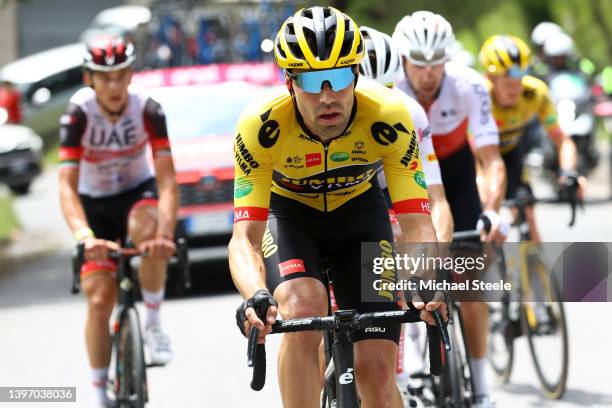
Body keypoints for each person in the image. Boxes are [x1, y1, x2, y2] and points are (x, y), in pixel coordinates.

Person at [231, 7, 445, 408]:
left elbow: (417, 223)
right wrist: (255, 293)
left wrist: (427, 281)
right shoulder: (260, 125)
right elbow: (244, 237)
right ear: (289, 81)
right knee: (301, 305)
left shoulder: (390, 115)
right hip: (291, 217)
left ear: (357, 75)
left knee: (379, 372)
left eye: (341, 76)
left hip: (360, 220)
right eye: (312, 80)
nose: (327, 96)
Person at [393, 11, 507, 408]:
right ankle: (405, 361)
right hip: (408, 174)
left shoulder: (469, 85)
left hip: (456, 174)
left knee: (470, 288)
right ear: (403, 59)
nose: (428, 73)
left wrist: (491, 210)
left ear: (448, 58)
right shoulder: (390, 89)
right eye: (419, 63)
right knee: (398, 274)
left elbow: (491, 159)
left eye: (436, 62)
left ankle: (481, 389)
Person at [58, 36, 178, 408]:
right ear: (89, 78)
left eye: (120, 75)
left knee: (150, 227)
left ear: (130, 75)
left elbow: (167, 180)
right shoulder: (78, 114)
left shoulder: (149, 109)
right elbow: (65, 185)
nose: (113, 86)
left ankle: (154, 325)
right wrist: (83, 235)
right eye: (104, 77)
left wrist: (165, 234)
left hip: (135, 192)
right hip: (93, 204)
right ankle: (98, 393)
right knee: (100, 298)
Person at [479, 34, 585, 242]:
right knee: (487, 229)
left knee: (529, 221)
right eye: (508, 84)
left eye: (519, 81)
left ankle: (535, 265)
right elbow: (475, 157)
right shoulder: (478, 96)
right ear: (490, 78)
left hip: (511, 154)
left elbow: (561, 139)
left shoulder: (535, 93)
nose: (515, 90)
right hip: (478, 160)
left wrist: (569, 172)